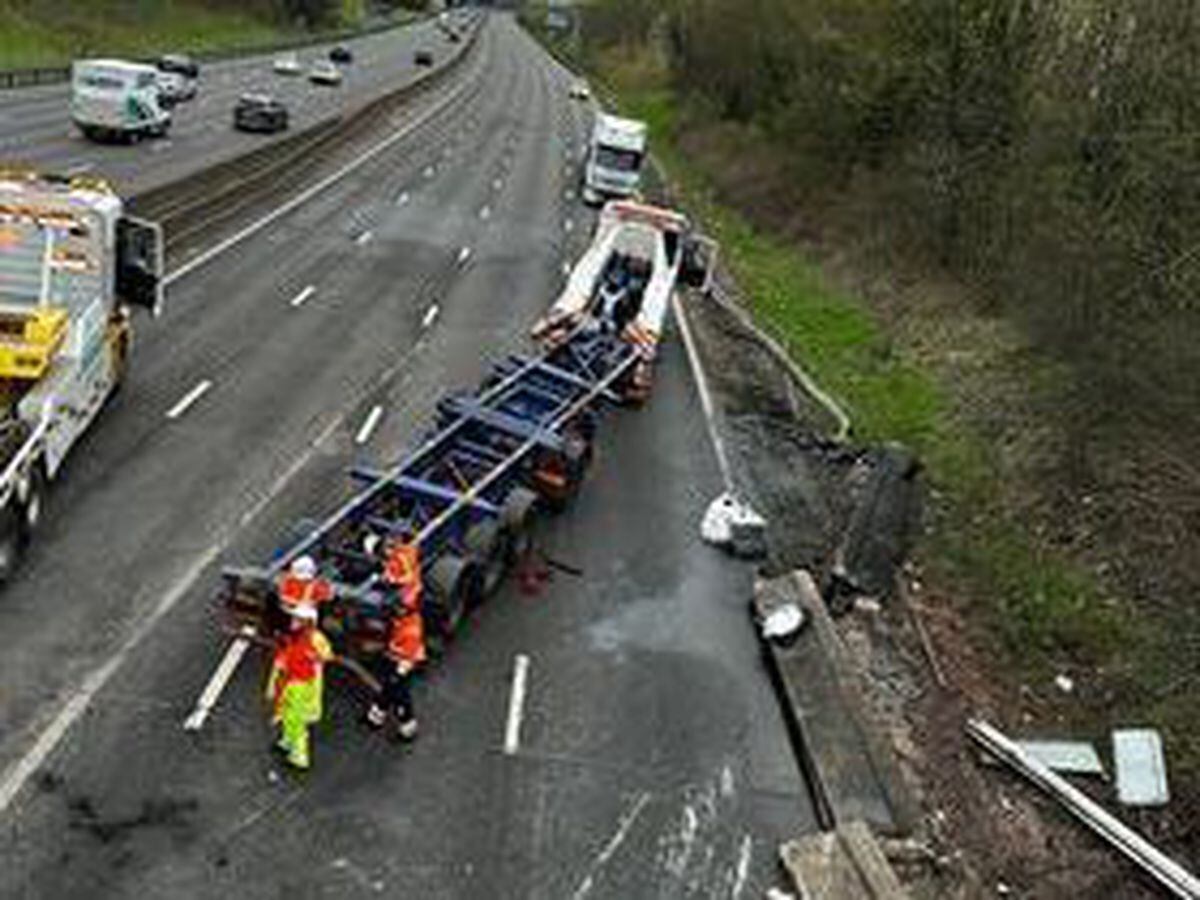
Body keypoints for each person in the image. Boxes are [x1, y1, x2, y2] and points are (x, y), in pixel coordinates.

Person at [366, 534, 425, 740]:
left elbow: (391, 580)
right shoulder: (405, 552)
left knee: (398, 685)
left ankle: (408, 725)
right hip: (400, 637)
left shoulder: (409, 628)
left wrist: (402, 668)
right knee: (391, 682)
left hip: (405, 647)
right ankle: (376, 715)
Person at [266, 603, 335, 771]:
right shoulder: (294, 636)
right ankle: (287, 742)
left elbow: (327, 656)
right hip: (290, 682)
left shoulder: (315, 638)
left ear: (308, 622)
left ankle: (299, 757)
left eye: (297, 619)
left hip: (302, 685)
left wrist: (313, 657)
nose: (293, 620)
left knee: (296, 720)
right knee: (287, 714)